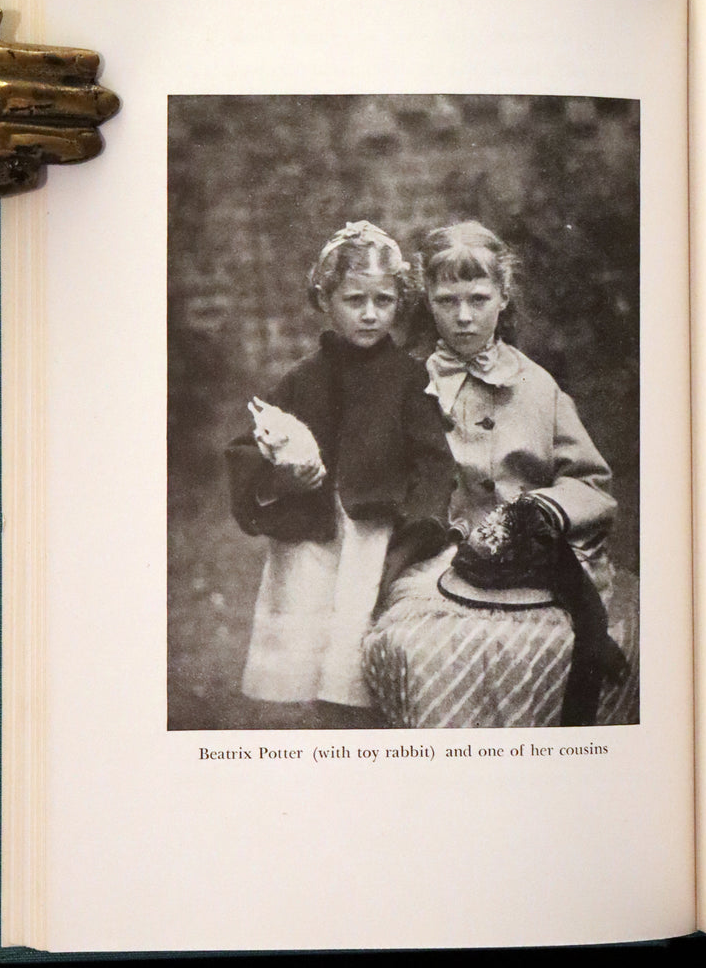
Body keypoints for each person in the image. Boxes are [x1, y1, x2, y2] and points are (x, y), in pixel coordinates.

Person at [362, 221, 638, 728]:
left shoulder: (537, 386)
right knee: (422, 648)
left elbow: (591, 483)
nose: (464, 316)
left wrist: (549, 509)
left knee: (577, 645)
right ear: (427, 299)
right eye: (447, 300)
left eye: (478, 298)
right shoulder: (408, 385)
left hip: (537, 562)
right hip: (441, 563)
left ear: (504, 297)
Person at [225, 221, 455, 726]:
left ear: (399, 302)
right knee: (311, 656)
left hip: (374, 538)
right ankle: (325, 729)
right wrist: (282, 480)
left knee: (359, 654)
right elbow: (249, 449)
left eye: (384, 300)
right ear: (325, 299)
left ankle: (366, 725)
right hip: (311, 539)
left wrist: (418, 528)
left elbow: (435, 461)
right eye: (355, 299)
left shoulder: (408, 378)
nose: (371, 314)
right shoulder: (303, 378)